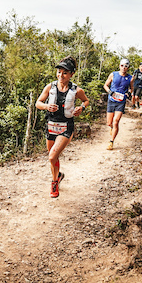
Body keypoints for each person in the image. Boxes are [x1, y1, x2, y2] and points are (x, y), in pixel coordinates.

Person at [35, 56, 89, 198]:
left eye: (65, 73)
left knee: (52, 156)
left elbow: (86, 100)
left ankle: (54, 184)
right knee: (54, 158)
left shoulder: (77, 90)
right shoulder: (50, 87)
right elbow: (38, 103)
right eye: (59, 72)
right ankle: (58, 176)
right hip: (51, 125)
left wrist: (81, 107)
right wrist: (46, 106)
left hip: (66, 127)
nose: (61, 75)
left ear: (71, 74)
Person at [104, 58, 134, 150]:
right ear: (119, 66)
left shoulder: (130, 78)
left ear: (128, 67)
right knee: (109, 123)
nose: (124, 67)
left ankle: (111, 142)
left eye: (126, 66)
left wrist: (128, 94)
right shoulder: (113, 74)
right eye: (122, 65)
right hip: (111, 100)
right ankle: (112, 128)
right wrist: (110, 92)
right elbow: (105, 85)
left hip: (121, 102)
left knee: (116, 121)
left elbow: (132, 88)